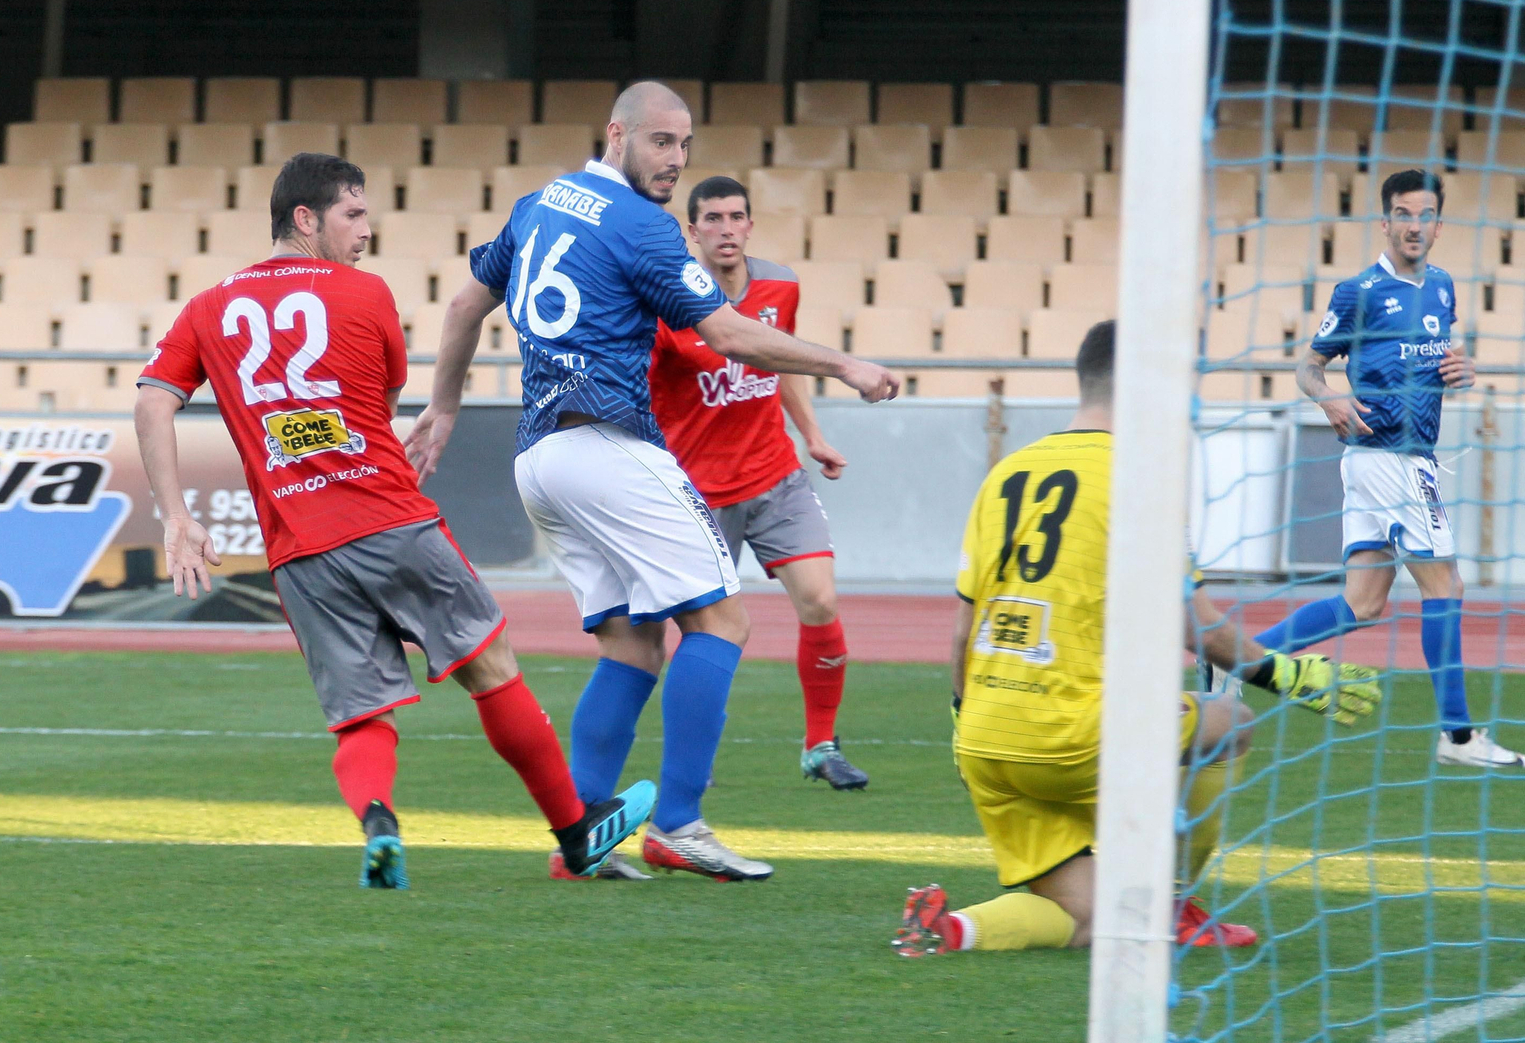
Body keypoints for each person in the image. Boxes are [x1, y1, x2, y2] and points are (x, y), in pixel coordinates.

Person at [403, 82, 899, 883]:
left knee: (633, 644)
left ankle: (581, 840)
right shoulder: (640, 224)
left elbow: (465, 304)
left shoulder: (539, 203)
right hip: (606, 446)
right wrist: (844, 363)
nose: (675, 160)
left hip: (539, 459)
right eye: (661, 141)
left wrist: (446, 405)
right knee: (722, 621)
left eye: (684, 145)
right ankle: (679, 824)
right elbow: (727, 333)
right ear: (617, 134)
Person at [134, 152, 654, 890]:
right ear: (305, 218)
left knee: (362, 715)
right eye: (353, 214)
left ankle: (379, 823)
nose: (366, 231)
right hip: (389, 519)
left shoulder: (207, 307)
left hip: (299, 549)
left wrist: (176, 516)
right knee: (491, 669)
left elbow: (152, 401)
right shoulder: (366, 292)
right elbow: (377, 406)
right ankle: (576, 836)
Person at [892, 319, 1382, 956]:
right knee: (1229, 721)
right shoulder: (1138, 478)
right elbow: (1197, 625)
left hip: (986, 742)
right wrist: (1285, 674)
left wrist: (965, 722)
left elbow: (965, 628)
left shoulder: (1006, 472)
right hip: (1070, 738)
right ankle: (1175, 905)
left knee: (1089, 916)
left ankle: (950, 929)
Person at [1251, 170, 1522, 768]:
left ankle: (1237, 659)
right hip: (1389, 456)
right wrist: (1328, 398)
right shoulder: (1359, 291)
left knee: (1363, 603)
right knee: (1445, 586)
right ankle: (1458, 738)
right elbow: (1308, 367)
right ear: (1385, 222)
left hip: (1393, 459)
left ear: (1439, 226)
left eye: (1425, 215)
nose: (1414, 226)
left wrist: (1462, 370)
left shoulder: (1443, 288)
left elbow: (1440, 360)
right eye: (1403, 214)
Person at [649, 176, 865, 791]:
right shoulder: (667, 301)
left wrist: (812, 434)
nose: (726, 229)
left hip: (775, 476)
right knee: (703, 635)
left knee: (820, 601)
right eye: (712, 219)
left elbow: (782, 359)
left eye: (735, 217)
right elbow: (644, 390)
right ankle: (694, 759)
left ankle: (821, 744)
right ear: (692, 231)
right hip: (698, 494)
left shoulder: (780, 286)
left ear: (749, 225)